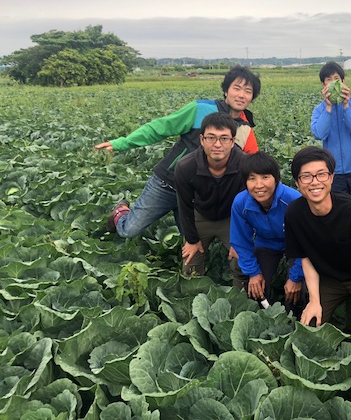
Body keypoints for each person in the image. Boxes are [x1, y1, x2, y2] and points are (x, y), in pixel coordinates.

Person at [96, 66, 260, 237]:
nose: (241, 95)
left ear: (251, 98)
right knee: (129, 230)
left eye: (248, 91)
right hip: (167, 183)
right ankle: (120, 212)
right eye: (237, 88)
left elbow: (252, 168)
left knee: (194, 241)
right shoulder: (200, 109)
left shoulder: (246, 130)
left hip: (197, 196)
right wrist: (121, 143)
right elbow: (160, 127)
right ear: (226, 91)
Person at [284, 146, 351, 347]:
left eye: (321, 174)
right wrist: (314, 300)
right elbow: (305, 259)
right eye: (306, 177)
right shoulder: (294, 213)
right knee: (311, 330)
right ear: (297, 183)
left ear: (331, 178)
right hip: (329, 278)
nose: (315, 182)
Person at [230, 152, 304, 311]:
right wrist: (253, 273)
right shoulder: (240, 203)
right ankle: (262, 314)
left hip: (296, 246)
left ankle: (295, 318)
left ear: (277, 179)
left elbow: (307, 242)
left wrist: (296, 276)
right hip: (266, 243)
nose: (259, 185)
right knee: (256, 288)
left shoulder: (293, 200)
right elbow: (240, 242)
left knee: (298, 291)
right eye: (252, 178)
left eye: (265, 177)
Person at [174, 112, 246, 276]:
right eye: (211, 138)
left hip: (232, 219)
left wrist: (240, 239)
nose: (217, 144)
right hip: (201, 216)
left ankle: (242, 297)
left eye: (224, 138)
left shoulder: (244, 164)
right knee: (189, 266)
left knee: (243, 260)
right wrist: (192, 240)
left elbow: (246, 206)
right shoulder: (186, 167)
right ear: (202, 140)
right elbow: (184, 207)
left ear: (233, 141)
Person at [310, 62, 351, 208]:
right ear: (323, 85)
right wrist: (328, 108)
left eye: (336, 78)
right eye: (328, 79)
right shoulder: (320, 110)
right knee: (339, 210)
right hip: (333, 171)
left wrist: (346, 106)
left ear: (343, 82)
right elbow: (319, 133)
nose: (333, 82)